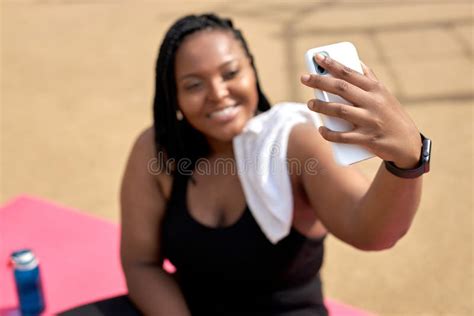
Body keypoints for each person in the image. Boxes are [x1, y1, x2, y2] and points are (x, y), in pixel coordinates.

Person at [62, 13, 430, 316]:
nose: (218, 93)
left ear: (252, 70)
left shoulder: (295, 141)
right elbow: (141, 263)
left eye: (230, 73)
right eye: (193, 85)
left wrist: (407, 160)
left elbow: (373, 232)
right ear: (173, 95)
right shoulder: (157, 150)